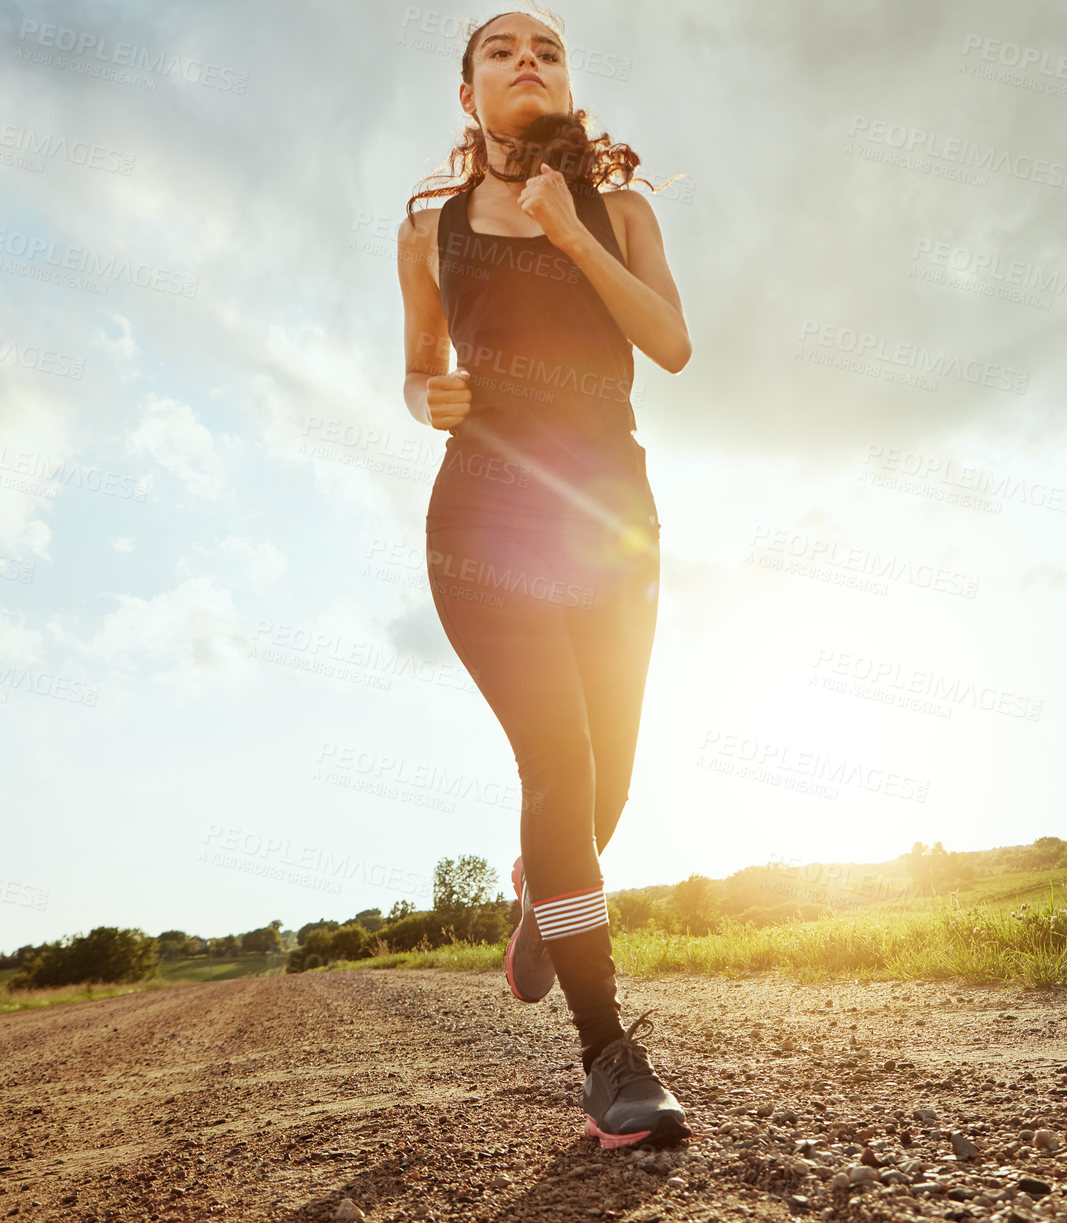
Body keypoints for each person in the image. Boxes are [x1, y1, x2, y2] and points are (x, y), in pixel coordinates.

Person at [396, 5, 692, 1149]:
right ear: (468, 94)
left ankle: (541, 892)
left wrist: (569, 234)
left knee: (605, 781)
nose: (528, 59)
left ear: (568, 86)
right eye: (501, 49)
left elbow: (668, 344)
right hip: (484, 522)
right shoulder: (426, 230)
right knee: (557, 763)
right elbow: (420, 369)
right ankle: (607, 1053)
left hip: (611, 519)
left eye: (550, 49)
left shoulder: (619, 209)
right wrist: (432, 399)